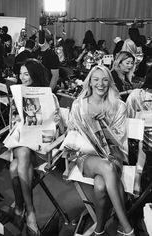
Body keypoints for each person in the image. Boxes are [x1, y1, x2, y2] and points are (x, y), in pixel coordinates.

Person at [67, 65, 134, 236]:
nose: (100, 84)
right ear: (89, 83)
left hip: (112, 154)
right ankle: (127, 228)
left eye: (105, 80)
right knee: (107, 168)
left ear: (110, 83)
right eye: (95, 79)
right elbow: (72, 132)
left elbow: (118, 139)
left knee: (100, 184)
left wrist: (105, 127)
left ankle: (99, 229)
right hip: (86, 156)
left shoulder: (118, 106)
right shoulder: (78, 105)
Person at [8, 58, 63, 236]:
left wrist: (57, 120)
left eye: (26, 74)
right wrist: (16, 119)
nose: (22, 77)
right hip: (22, 140)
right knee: (22, 152)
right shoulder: (18, 96)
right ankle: (30, 213)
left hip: (41, 145)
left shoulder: (49, 96)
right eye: (21, 73)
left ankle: (19, 207)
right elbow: (12, 125)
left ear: (34, 75)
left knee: (14, 167)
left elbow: (60, 128)